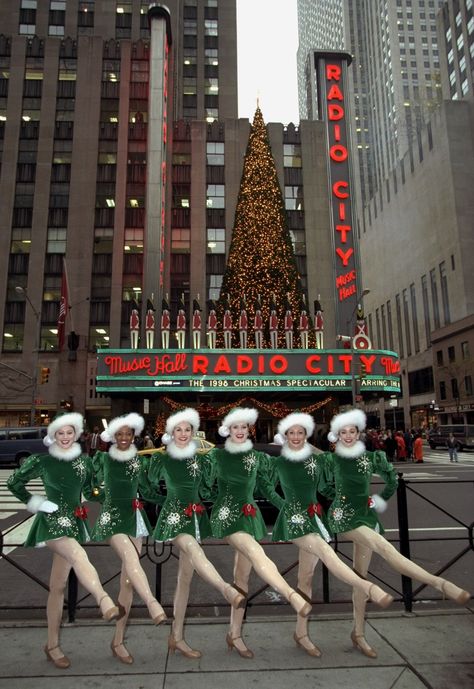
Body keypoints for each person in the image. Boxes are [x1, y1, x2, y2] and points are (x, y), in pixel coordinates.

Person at [320, 408, 471, 659]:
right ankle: (440, 583)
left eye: (352, 431)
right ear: (337, 435)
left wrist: (377, 500)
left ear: (359, 433)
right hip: (343, 517)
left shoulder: (372, 458)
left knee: (361, 575)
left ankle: (358, 633)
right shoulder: (331, 460)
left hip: (366, 515)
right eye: (343, 432)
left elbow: (392, 480)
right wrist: (340, 499)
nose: (348, 436)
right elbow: (324, 486)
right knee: (384, 547)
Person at [259, 412, 393, 657]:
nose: (297, 437)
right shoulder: (281, 461)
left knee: (357, 572)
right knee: (306, 577)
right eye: (292, 433)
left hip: (353, 517)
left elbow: (331, 477)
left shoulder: (328, 459)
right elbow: (265, 483)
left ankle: (359, 633)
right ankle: (301, 632)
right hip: (308, 522)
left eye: (301, 433)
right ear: (284, 436)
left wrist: (372, 498)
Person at [7, 412, 121, 669]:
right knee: (79, 555)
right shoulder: (43, 462)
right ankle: (103, 599)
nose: (66, 437)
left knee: (57, 587)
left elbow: (93, 490)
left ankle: (52, 644)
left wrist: (113, 493)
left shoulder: (83, 463)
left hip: (74, 522)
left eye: (70, 433)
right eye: (61, 433)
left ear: (77, 434)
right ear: (53, 436)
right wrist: (36, 503)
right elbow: (14, 483)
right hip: (51, 523)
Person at [206, 407, 312, 659]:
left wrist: (286, 508)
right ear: (227, 430)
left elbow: (266, 487)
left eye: (244, 427)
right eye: (236, 427)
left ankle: (235, 633)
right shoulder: (216, 457)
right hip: (228, 516)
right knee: (255, 552)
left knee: (242, 576)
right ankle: (291, 596)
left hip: (249, 516)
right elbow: (204, 484)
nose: (240, 431)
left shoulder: (256, 458)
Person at [144, 408, 245, 659]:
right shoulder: (162, 459)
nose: (183, 433)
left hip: (195, 518)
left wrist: (215, 494)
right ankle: (225, 589)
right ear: (170, 433)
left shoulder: (200, 460)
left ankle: (176, 637)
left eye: (187, 429)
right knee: (192, 548)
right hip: (174, 518)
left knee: (185, 580)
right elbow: (146, 488)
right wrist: (167, 500)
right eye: (178, 429)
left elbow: (209, 492)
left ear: (193, 432)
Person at [91, 413, 167, 665]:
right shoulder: (102, 459)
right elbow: (89, 487)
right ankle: (152, 603)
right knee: (131, 559)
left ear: (134, 436)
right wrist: (103, 496)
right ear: (111, 436)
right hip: (112, 519)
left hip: (135, 519)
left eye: (128, 434)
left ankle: (118, 640)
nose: (124, 438)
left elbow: (148, 490)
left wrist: (172, 501)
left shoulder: (139, 461)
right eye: (119, 434)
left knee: (127, 580)